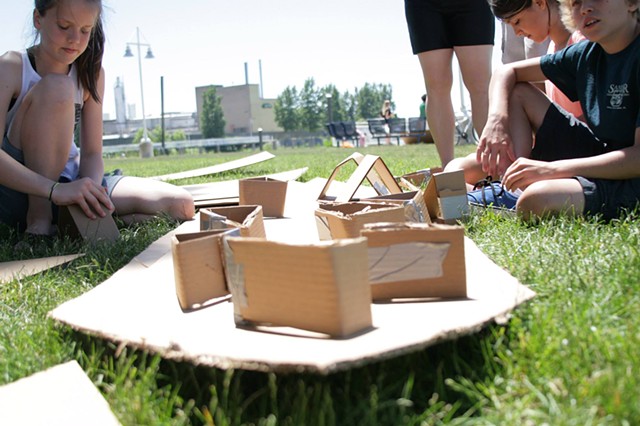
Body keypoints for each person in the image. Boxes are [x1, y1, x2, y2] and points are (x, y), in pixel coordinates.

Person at [0, 0, 195, 237]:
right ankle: (39, 220)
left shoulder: (90, 73)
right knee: (58, 87)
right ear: (38, 19)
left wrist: (91, 190)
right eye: (64, 26)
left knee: (181, 205)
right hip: (20, 190)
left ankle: (68, 223)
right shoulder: (11, 66)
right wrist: (54, 190)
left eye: (85, 30)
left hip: (70, 184)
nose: (75, 39)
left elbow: (92, 154)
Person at [472, 0, 640, 220]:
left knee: (538, 199)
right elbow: (506, 72)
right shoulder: (587, 53)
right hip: (603, 155)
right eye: (576, 2)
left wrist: (551, 170)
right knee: (517, 91)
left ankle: (517, 195)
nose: (585, 8)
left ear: (632, 3)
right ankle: (511, 187)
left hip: (632, 176)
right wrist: (496, 120)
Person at [446, 0, 586, 187]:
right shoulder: (553, 48)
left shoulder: (582, 43)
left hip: (579, 154)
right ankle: (504, 184)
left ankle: (510, 185)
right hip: (552, 147)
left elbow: (596, 125)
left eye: (517, 21)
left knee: (517, 89)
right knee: (454, 171)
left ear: (540, 3)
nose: (517, 32)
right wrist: (498, 122)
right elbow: (503, 72)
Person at [404, 0, 494, 167]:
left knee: (480, 85)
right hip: (424, 6)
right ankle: (448, 169)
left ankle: (494, 165)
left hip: (473, 5)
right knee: (436, 86)